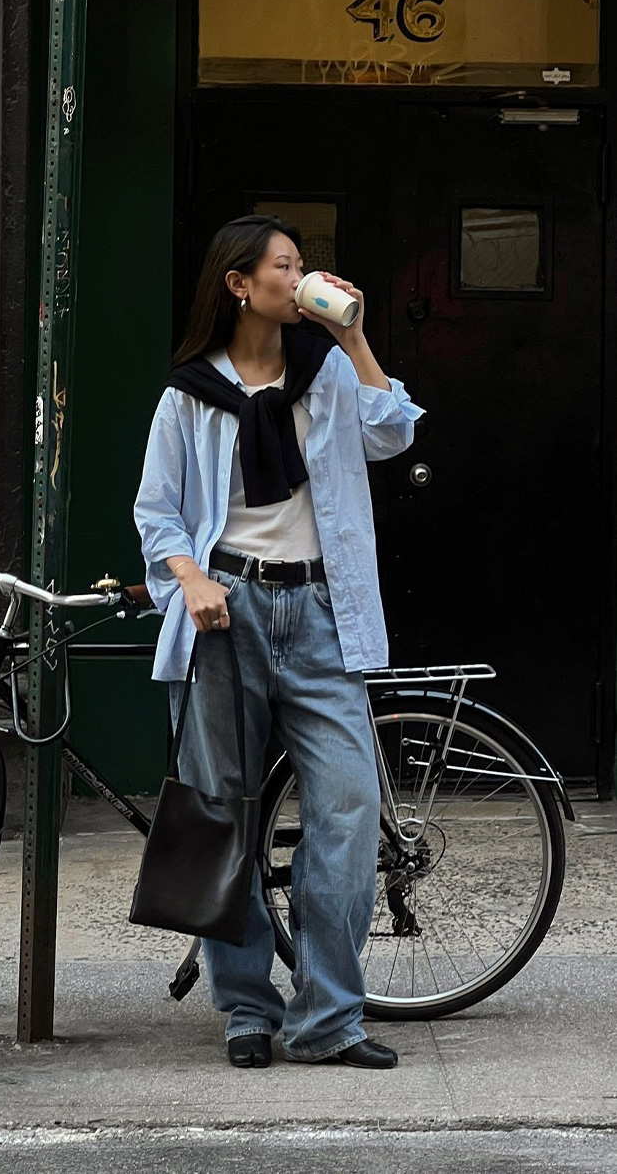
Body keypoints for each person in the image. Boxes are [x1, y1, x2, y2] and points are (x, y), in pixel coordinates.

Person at [134, 215, 424, 1070]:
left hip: (319, 614)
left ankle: (328, 1013)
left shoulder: (325, 372)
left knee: (347, 802)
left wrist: (355, 333)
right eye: (286, 266)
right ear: (240, 283)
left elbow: (394, 429)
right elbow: (157, 512)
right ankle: (247, 1006)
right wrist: (190, 579)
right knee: (223, 810)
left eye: (303, 266)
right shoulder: (190, 393)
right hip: (228, 613)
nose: (301, 277)